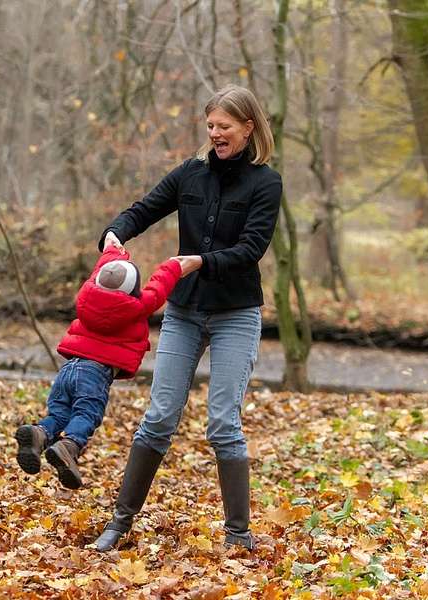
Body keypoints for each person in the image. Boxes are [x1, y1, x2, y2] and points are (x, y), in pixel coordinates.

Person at [91, 84, 282, 552]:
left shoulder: (265, 182)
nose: (216, 134)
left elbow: (251, 249)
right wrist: (115, 232)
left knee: (222, 423)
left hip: (236, 313)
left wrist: (198, 261)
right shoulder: (190, 174)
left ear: (248, 128)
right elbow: (145, 209)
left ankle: (239, 535)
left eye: (225, 127)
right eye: (211, 125)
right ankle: (118, 524)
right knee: (158, 418)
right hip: (184, 311)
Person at [15, 246, 182, 489]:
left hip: (69, 367)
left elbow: (98, 272)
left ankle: (39, 434)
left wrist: (114, 250)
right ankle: (69, 445)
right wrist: (173, 266)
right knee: (86, 414)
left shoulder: (88, 295)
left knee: (59, 414)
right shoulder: (135, 306)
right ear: (133, 291)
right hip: (95, 373)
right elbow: (158, 289)